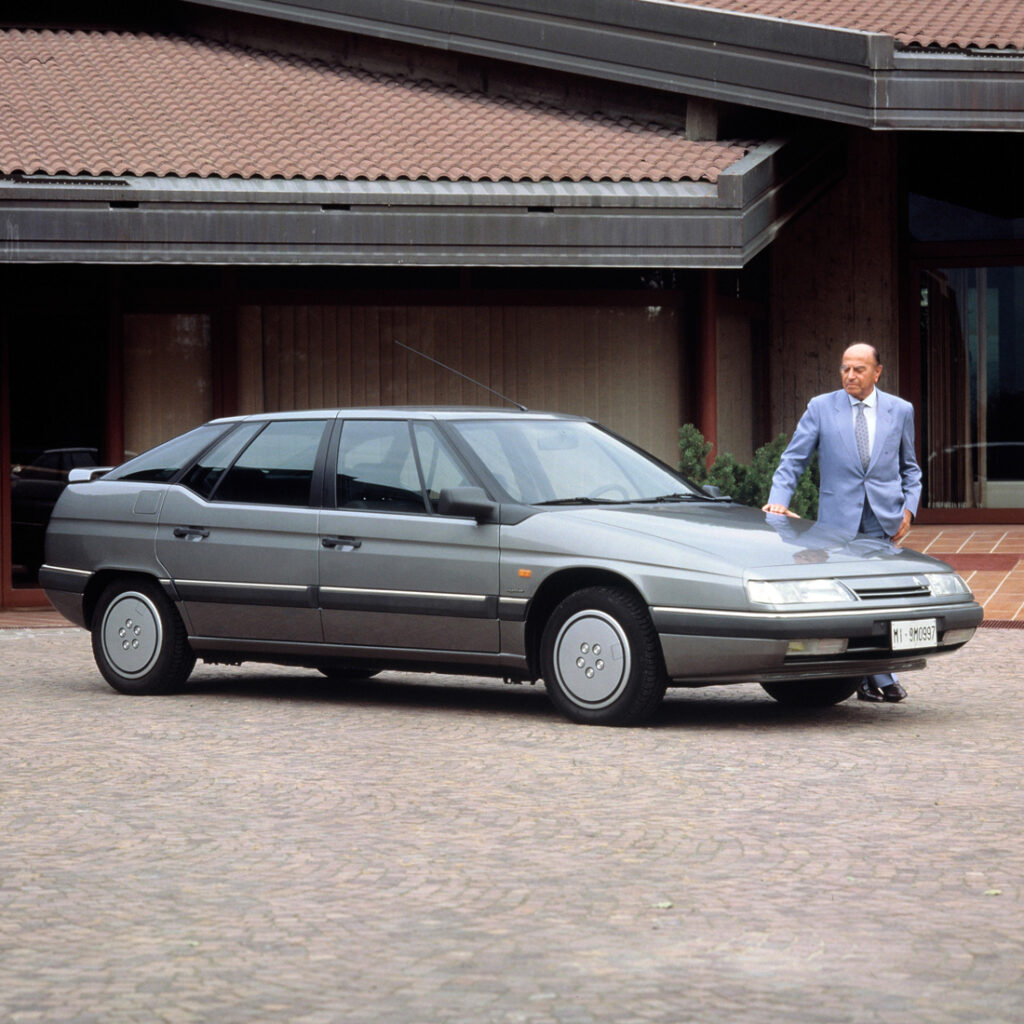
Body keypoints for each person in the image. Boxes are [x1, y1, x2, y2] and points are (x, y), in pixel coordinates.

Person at [761, 343, 922, 703]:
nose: (850, 375)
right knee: (849, 598)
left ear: (877, 372)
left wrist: (908, 511)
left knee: (883, 597)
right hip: (837, 524)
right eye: (845, 368)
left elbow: (911, 468)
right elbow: (793, 461)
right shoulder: (821, 408)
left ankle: (874, 673)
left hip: (885, 519)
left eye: (859, 369)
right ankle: (874, 675)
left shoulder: (901, 410)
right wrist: (777, 504)